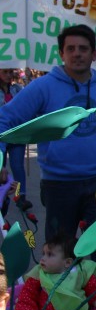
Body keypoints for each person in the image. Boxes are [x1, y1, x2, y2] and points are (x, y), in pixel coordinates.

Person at [0, 24, 96, 310]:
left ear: (94, 54)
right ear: (61, 54)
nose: (77, 54)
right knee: (59, 252)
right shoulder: (44, 88)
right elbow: (6, 120)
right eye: (70, 49)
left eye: (83, 48)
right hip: (59, 186)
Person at [0, 68, 30, 211]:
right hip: (1, 136)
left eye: (10, 72)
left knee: (17, 166)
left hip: (17, 134)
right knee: (1, 167)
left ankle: (21, 196)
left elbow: (27, 104)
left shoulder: (18, 88)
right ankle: (2, 196)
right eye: (5, 72)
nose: (8, 75)